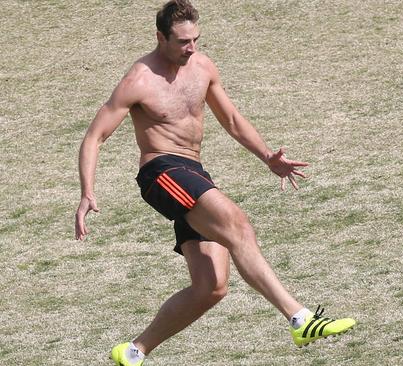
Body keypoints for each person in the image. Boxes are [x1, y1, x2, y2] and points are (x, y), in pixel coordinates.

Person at [74, 1, 355, 365]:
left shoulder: (202, 66)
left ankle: (132, 351)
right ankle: (299, 318)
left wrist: (268, 157)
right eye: (182, 42)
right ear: (160, 37)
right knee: (237, 224)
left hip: (193, 173)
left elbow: (233, 120)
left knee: (211, 287)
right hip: (161, 172)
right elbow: (94, 137)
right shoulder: (138, 80)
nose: (191, 48)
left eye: (196, 39)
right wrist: (87, 192)